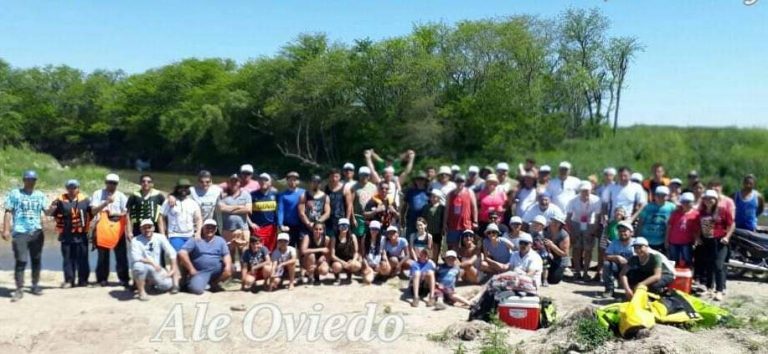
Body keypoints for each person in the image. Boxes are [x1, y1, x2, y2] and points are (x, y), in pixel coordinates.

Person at [4, 170, 49, 301]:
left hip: (36, 232)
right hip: (20, 232)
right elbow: (8, 212)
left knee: (36, 259)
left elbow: (47, 211)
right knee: (21, 260)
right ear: (24, 180)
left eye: (34, 179)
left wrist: (54, 208)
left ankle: (35, 285)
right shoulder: (15, 193)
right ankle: (19, 289)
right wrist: (5, 230)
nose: (31, 182)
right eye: (29, 179)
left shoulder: (40, 195)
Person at [48, 179, 92, 288]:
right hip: (66, 236)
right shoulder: (59, 201)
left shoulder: (86, 200)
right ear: (67, 188)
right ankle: (69, 280)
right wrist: (51, 209)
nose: (72, 189)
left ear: (78, 188)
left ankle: (83, 281)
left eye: (74, 187)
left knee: (83, 260)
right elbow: (51, 213)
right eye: (70, 187)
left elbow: (92, 214)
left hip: (81, 236)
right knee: (68, 259)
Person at [91, 173, 131, 288]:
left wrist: (117, 214)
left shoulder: (121, 196)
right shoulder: (98, 194)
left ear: (117, 184)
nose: (111, 185)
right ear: (105, 182)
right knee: (102, 255)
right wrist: (106, 203)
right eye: (109, 182)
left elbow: (126, 212)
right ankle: (102, 279)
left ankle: (124, 279)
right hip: (102, 226)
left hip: (117, 226)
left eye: (114, 183)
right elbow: (93, 211)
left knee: (121, 255)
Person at [698, 190, 735, 301]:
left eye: (711, 198)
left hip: (720, 241)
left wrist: (727, 237)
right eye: (706, 198)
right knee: (708, 265)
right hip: (707, 241)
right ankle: (709, 288)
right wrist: (697, 238)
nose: (709, 201)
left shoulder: (722, 210)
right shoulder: (702, 212)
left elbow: (732, 224)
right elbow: (697, 226)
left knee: (718, 266)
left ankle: (719, 290)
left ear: (716, 199)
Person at [178, 219, 232, 295]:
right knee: (197, 290)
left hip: (216, 271)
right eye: (207, 227)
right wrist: (191, 269)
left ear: (216, 229)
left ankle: (214, 284)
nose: (210, 230)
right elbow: (182, 253)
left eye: (212, 227)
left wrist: (228, 266)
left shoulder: (220, 240)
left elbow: (226, 254)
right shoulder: (195, 239)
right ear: (203, 228)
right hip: (201, 272)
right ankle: (190, 282)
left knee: (232, 268)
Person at [130, 219, 180, 300]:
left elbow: (172, 252)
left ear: (153, 228)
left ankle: (150, 283)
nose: (147, 230)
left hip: (156, 269)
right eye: (144, 228)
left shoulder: (160, 237)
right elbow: (136, 257)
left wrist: (173, 269)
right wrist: (152, 263)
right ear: (140, 229)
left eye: (149, 227)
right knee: (138, 266)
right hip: (145, 265)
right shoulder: (135, 240)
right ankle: (141, 292)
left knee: (167, 285)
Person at [565, 181, 601, 280]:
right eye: (583, 191)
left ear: (591, 190)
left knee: (588, 249)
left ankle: (585, 272)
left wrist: (594, 228)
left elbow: (597, 217)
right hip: (576, 222)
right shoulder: (573, 200)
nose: (586, 193)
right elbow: (568, 217)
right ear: (580, 191)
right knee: (576, 248)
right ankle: (577, 272)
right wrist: (571, 232)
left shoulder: (596, 200)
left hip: (589, 222)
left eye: (587, 191)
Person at [158, 179, 202, 252]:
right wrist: (162, 235)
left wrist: (198, 232)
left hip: (190, 236)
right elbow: (161, 217)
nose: (184, 189)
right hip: (174, 235)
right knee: (180, 255)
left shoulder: (193, 203)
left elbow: (198, 219)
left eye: (186, 187)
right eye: (181, 187)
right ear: (177, 188)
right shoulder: (168, 201)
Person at [636, 186, 676, 253]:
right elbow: (640, 222)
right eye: (658, 195)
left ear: (667, 196)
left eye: (663, 195)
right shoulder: (648, 207)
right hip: (646, 240)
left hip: (662, 241)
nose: (660, 197)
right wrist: (637, 236)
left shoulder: (672, 207)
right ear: (655, 196)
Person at [601, 220, 636, 298]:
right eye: (620, 231)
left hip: (632, 269)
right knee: (606, 264)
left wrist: (628, 263)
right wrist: (616, 257)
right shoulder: (614, 242)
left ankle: (633, 288)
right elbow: (605, 256)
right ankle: (609, 289)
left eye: (624, 231)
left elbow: (640, 259)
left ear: (631, 233)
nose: (622, 233)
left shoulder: (636, 242)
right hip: (618, 268)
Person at [443, 174, 478, 251]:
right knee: (452, 246)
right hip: (453, 225)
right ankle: (452, 261)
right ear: (455, 182)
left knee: (468, 244)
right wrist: (444, 223)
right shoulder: (450, 194)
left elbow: (474, 207)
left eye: (461, 181)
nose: (460, 183)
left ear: (464, 182)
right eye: (458, 181)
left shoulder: (470, 192)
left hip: (466, 224)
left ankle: (466, 261)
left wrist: (475, 221)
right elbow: (447, 210)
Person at [666, 192, 700, 266]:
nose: (686, 204)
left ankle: (687, 276)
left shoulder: (696, 214)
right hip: (673, 241)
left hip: (687, 242)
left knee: (688, 260)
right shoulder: (676, 213)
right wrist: (666, 240)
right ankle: (674, 276)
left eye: (688, 202)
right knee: (673, 261)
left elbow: (696, 229)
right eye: (684, 202)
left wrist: (696, 240)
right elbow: (669, 227)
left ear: (692, 203)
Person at [595, 207, 628, 282]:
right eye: (617, 211)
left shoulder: (625, 225)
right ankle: (603, 276)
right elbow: (606, 234)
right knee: (606, 259)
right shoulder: (610, 223)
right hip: (610, 244)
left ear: (624, 214)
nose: (619, 213)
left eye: (621, 212)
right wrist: (608, 242)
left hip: (621, 246)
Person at [249, 173, 278, 251]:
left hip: (271, 229)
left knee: (270, 251)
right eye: (261, 180)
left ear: (270, 183)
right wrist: (251, 223)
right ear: (258, 182)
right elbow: (246, 212)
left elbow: (279, 211)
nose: (263, 182)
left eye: (266, 180)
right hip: (257, 229)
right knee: (256, 251)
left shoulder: (275, 194)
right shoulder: (252, 195)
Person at [347, 166, 377, 239]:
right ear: (359, 175)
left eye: (366, 175)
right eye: (362, 175)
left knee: (369, 237)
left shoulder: (373, 187)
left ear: (369, 176)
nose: (364, 177)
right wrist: (352, 218)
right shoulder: (354, 187)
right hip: (358, 217)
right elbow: (351, 204)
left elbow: (376, 201)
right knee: (358, 236)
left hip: (370, 217)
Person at [277, 171, 305, 248]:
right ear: (287, 181)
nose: (292, 182)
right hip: (288, 225)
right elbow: (280, 210)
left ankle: (300, 260)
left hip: (301, 224)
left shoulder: (304, 193)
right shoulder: (282, 195)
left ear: (298, 181)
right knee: (289, 247)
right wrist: (280, 224)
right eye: (290, 180)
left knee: (302, 247)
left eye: (295, 180)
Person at [330, 218, 361, 285]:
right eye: (341, 226)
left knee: (357, 265)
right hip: (338, 261)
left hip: (349, 259)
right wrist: (342, 262)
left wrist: (353, 260)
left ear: (348, 227)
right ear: (338, 227)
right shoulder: (334, 238)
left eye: (345, 226)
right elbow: (332, 255)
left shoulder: (353, 236)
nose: (344, 228)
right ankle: (337, 277)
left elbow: (356, 251)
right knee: (337, 266)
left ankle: (349, 275)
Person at [543, 213, 571, 285]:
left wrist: (552, 246)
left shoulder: (563, 235)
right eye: (553, 221)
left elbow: (564, 253)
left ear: (561, 224)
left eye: (557, 222)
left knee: (554, 280)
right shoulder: (544, 230)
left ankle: (562, 271)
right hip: (546, 256)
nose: (555, 224)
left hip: (560, 259)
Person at [403, 171, 430, 235]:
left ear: (425, 181)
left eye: (422, 179)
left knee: (422, 240)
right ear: (415, 181)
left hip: (424, 220)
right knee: (410, 238)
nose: (420, 181)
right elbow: (404, 206)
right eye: (418, 179)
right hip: (411, 219)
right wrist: (402, 218)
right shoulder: (410, 192)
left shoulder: (428, 193)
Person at [422, 189, 445, 262]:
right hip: (428, 231)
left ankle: (435, 262)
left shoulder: (442, 208)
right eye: (432, 196)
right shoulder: (426, 207)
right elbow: (423, 218)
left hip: (437, 231)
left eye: (435, 197)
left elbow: (443, 219)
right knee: (428, 247)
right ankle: (428, 261)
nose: (433, 198)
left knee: (436, 246)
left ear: (438, 198)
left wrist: (443, 228)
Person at [324, 169, 347, 238]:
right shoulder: (325, 188)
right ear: (329, 177)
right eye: (332, 176)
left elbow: (349, 206)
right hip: (328, 220)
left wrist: (347, 219)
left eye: (336, 176)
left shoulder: (345, 188)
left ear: (340, 177)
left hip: (341, 218)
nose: (334, 179)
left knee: (340, 239)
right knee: (328, 238)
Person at [529, 215, 551, 286]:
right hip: (533, 253)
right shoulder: (530, 234)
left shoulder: (545, 235)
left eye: (537, 224)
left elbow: (547, 244)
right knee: (533, 266)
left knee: (545, 267)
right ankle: (533, 278)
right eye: (534, 224)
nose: (535, 226)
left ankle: (545, 279)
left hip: (543, 253)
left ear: (542, 226)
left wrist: (549, 252)